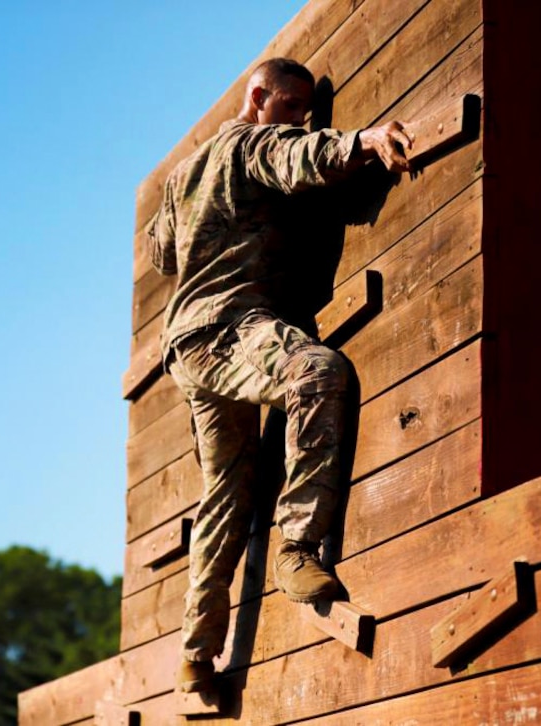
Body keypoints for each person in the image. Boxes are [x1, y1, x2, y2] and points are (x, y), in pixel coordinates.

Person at [147, 57, 412, 694]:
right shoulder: (252, 142)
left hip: (188, 349)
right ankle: (295, 547)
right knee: (317, 372)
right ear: (260, 97)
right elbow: (294, 158)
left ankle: (196, 651)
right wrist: (364, 141)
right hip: (231, 328)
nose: (298, 120)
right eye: (292, 107)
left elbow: (161, 252)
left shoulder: (186, 173)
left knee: (226, 494)